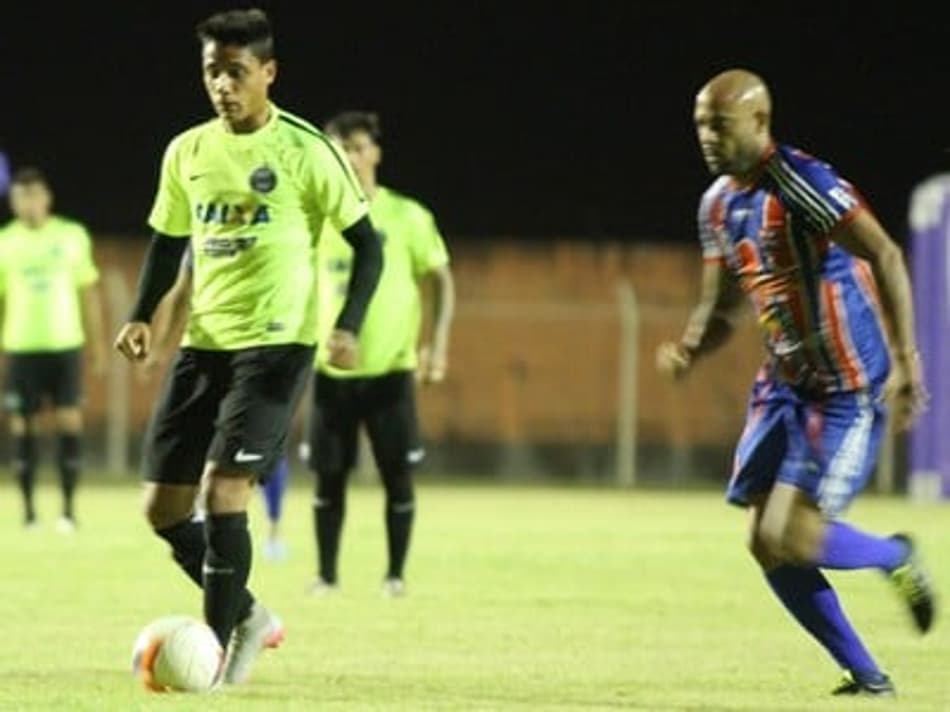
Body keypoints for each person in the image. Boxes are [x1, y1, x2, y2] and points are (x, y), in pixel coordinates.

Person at [113, 9, 382, 686]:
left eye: (236, 72)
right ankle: (250, 614)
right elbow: (167, 244)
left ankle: (211, 656)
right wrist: (142, 315)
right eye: (213, 71)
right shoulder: (187, 152)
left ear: (268, 73)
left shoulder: (306, 151)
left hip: (278, 345)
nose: (223, 85)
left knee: (225, 489)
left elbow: (368, 246)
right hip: (205, 344)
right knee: (162, 509)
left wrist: (347, 324)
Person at [656, 69, 935, 697]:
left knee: (793, 535)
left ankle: (896, 556)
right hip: (784, 383)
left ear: (759, 121)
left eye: (719, 125)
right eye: (700, 125)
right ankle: (868, 678)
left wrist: (906, 359)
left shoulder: (802, 183)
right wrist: (690, 349)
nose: (707, 137)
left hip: (844, 388)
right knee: (765, 542)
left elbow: (886, 254)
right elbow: (723, 304)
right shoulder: (718, 204)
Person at [309, 111, 455, 598]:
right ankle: (327, 577)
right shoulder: (315, 217)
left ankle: (395, 576)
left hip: (391, 369)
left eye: (356, 147)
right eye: (338, 150)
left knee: (398, 475)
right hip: (331, 371)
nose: (349, 158)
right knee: (328, 479)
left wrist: (436, 343)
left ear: (375, 152)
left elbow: (440, 280)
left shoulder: (408, 217)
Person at [143, 248, 293, 562]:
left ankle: (273, 525)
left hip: (266, 354)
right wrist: (159, 348)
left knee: (255, 458)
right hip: (207, 356)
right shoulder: (204, 231)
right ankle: (206, 530)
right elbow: (183, 288)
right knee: (182, 484)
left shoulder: (282, 230)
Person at [0, 167, 106, 531]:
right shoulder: (5, 241)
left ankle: (68, 511)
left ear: (46, 198)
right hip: (21, 346)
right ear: (13, 202)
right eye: (20, 197)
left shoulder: (72, 236)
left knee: (69, 422)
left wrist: (97, 344)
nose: (28, 204)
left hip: (65, 345)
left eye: (33, 195)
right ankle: (29, 513)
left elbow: (88, 292)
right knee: (23, 427)